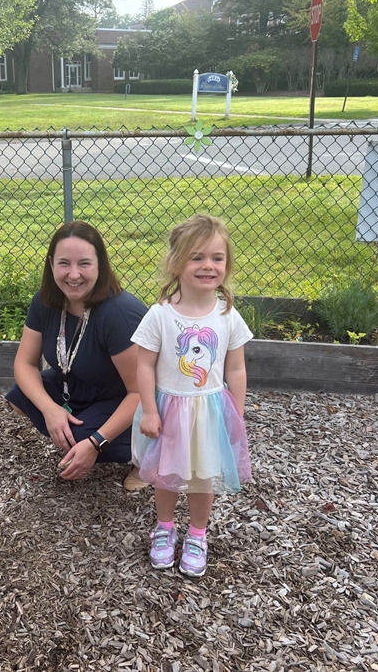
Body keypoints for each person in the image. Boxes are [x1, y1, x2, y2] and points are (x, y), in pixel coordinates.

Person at [131, 214, 253, 577]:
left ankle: (198, 533)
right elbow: (144, 367)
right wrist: (150, 411)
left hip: (210, 412)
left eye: (217, 258)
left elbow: (236, 369)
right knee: (167, 475)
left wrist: (237, 410)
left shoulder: (228, 315)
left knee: (203, 476)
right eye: (196, 257)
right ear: (175, 262)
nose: (208, 266)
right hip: (168, 409)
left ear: (227, 264)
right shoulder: (160, 315)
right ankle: (165, 527)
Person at [5, 221, 148, 488]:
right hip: (78, 384)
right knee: (20, 396)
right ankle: (79, 431)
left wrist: (96, 442)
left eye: (84, 263)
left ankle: (149, 455)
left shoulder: (118, 313)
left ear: (100, 265)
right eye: (64, 263)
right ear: (50, 265)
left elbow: (140, 393)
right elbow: (24, 364)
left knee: (81, 436)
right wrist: (50, 410)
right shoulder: (46, 300)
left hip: (129, 398)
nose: (73, 274)